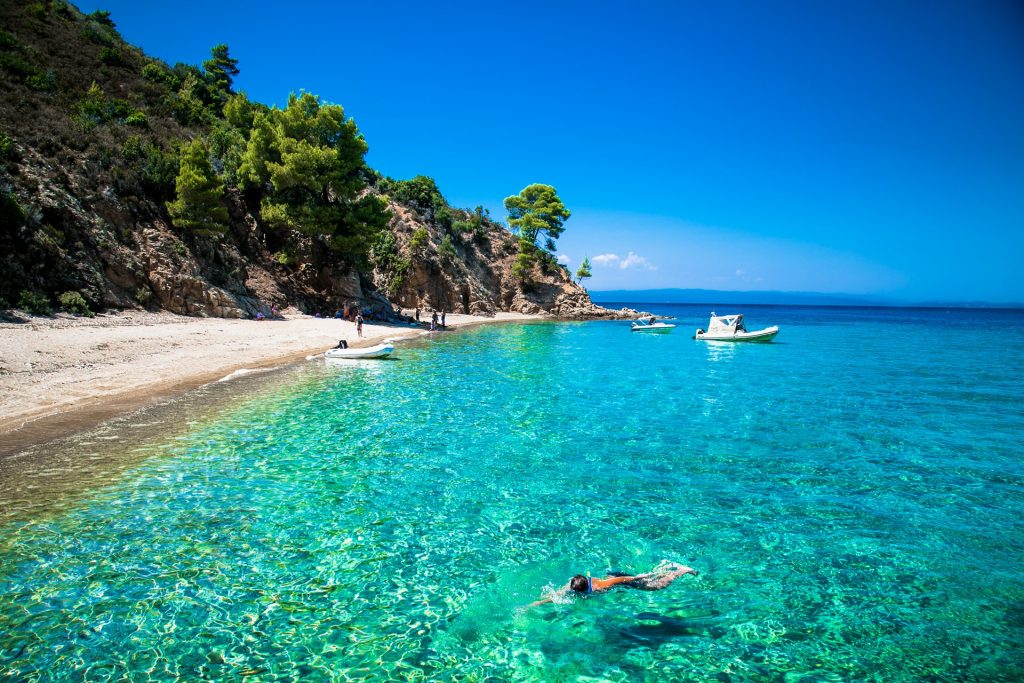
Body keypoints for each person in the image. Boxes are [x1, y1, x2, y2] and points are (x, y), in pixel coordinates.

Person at [528, 563, 698, 607]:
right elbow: (557, 595)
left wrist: (645, 576)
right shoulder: (575, 582)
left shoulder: (600, 586)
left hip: (620, 580)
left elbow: (623, 580)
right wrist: (537, 603)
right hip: (613, 578)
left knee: (657, 586)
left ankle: (681, 571)